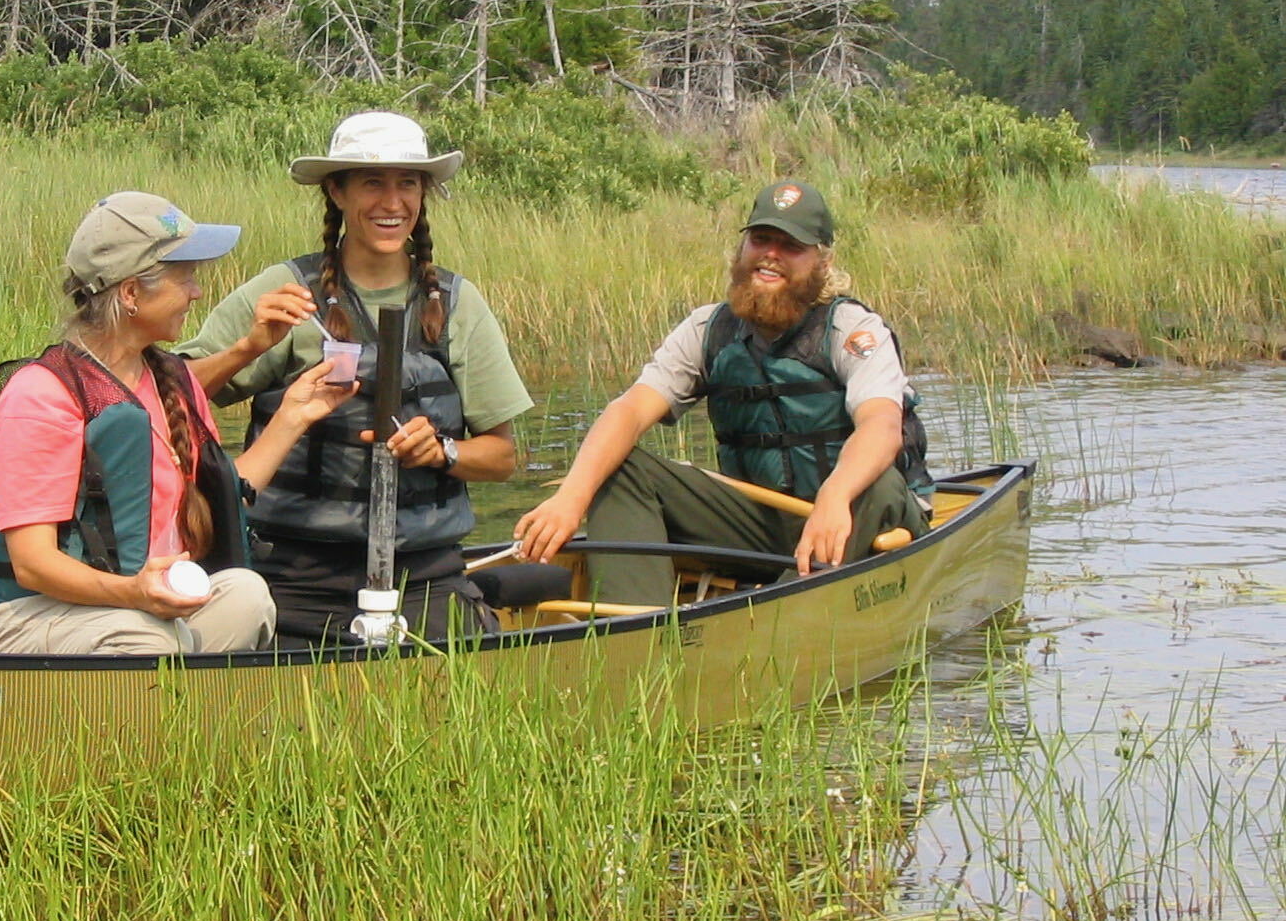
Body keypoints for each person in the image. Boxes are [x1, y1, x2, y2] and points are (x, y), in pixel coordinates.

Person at [179, 112, 534, 642]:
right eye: (373, 183)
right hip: (294, 576)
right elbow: (164, 400)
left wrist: (442, 452)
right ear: (336, 191)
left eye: (407, 183)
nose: (393, 203)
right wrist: (248, 347)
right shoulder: (286, 290)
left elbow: (503, 458)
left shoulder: (457, 304)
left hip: (426, 577)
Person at [0, 192, 354, 656]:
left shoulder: (171, 380)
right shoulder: (41, 395)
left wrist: (296, 412)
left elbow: (230, 491)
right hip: (31, 616)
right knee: (149, 636)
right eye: (184, 278)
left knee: (246, 595)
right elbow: (33, 566)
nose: (196, 291)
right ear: (131, 293)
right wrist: (134, 595)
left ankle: (194, 720)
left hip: (137, 613)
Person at [512, 180, 931, 606]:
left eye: (791, 245)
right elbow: (631, 410)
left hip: (853, 515)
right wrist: (571, 498)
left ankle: (785, 613)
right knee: (621, 468)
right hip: (764, 523)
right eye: (761, 239)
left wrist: (834, 495)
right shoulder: (709, 330)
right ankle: (633, 630)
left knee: (877, 484)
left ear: (822, 260)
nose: (771, 253)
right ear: (743, 247)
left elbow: (881, 425)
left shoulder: (853, 330)